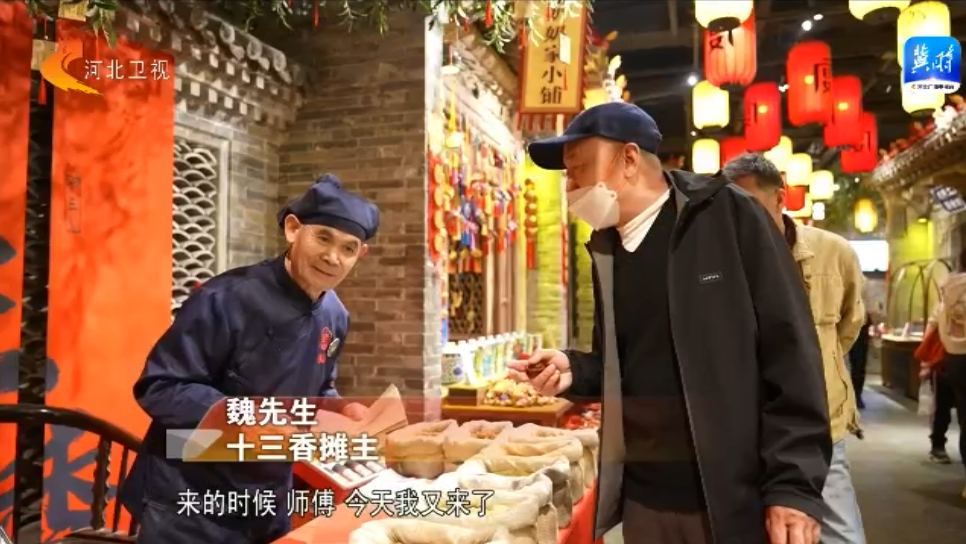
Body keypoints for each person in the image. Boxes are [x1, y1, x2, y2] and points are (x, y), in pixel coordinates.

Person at [510, 103, 832, 544]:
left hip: (733, 496)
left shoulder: (726, 217)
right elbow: (627, 360)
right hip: (646, 498)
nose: (570, 187)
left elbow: (792, 351)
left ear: (628, 159)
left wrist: (794, 486)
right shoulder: (607, 249)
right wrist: (575, 370)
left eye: (578, 169)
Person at [119, 174, 379, 543]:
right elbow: (160, 386)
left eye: (348, 248)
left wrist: (340, 410)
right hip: (190, 496)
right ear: (293, 229)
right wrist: (242, 419)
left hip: (268, 497)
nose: (332, 257)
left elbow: (320, 388)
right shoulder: (224, 298)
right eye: (323, 238)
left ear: (359, 255)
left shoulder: (335, 315)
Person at [725, 154, 867, 544]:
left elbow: (848, 327)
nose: (740, 220)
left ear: (780, 199)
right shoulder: (721, 257)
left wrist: (811, 364)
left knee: (840, 534)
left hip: (821, 423)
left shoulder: (833, 253)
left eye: (751, 207)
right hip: (746, 429)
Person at [921, 245, 966, 498]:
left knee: (960, 415)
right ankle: (938, 443)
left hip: (953, 358)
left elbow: (937, 322)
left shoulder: (949, 288)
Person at [849, 313, 874, 409]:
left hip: (861, 331)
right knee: (857, 366)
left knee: (859, 366)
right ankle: (854, 396)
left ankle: (857, 395)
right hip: (849, 329)